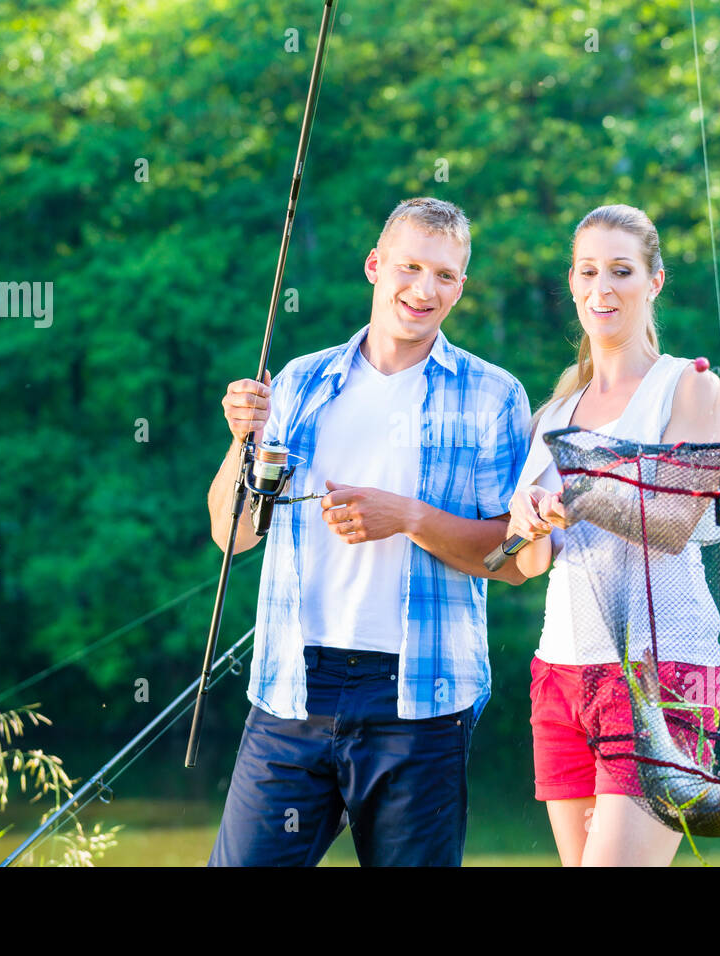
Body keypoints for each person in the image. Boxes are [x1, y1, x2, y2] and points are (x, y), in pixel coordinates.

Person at [206, 197, 530, 867]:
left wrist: (408, 518)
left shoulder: (494, 396)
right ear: (375, 266)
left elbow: (514, 558)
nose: (424, 289)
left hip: (421, 697)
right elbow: (231, 533)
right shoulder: (299, 382)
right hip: (293, 686)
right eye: (409, 267)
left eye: (445, 275)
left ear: (461, 287)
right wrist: (243, 439)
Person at [505, 203, 720, 866]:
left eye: (622, 271)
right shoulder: (556, 410)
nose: (602, 288)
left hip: (661, 674)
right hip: (560, 676)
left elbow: (676, 523)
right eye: (588, 271)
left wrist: (580, 494)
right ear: (572, 283)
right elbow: (532, 560)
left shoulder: (687, 387)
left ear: (654, 281)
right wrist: (528, 523)